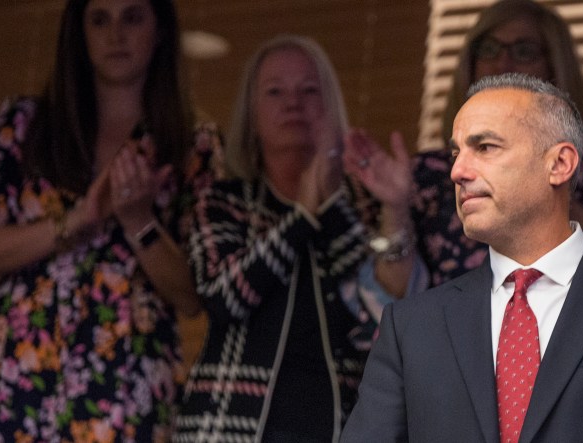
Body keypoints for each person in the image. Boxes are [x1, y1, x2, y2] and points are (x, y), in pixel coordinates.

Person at [341, 73, 583, 442]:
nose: (457, 170)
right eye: (457, 152)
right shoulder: (412, 327)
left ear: (559, 164)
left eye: (485, 147)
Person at [0, 0, 219, 440]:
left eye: (132, 17)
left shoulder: (189, 143)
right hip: (19, 379)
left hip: (128, 388)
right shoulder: (25, 125)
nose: (116, 34)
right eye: (99, 19)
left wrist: (139, 222)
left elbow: (193, 295)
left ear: (160, 29)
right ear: (80, 30)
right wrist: (72, 224)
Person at [173, 34, 415, 443]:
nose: (293, 103)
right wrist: (300, 217)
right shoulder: (223, 201)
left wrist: (386, 209)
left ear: (331, 106)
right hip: (228, 427)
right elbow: (223, 296)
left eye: (309, 90)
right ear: (251, 112)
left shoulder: (363, 206)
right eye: (275, 91)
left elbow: (380, 312)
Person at [346, 0, 583, 291]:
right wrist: (395, 207)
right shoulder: (429, 171)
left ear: (555, 65)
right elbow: (395, 298)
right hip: (460, 337)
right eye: (489, 49)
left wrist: (540, 177)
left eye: (524, 51)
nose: (504, 63)